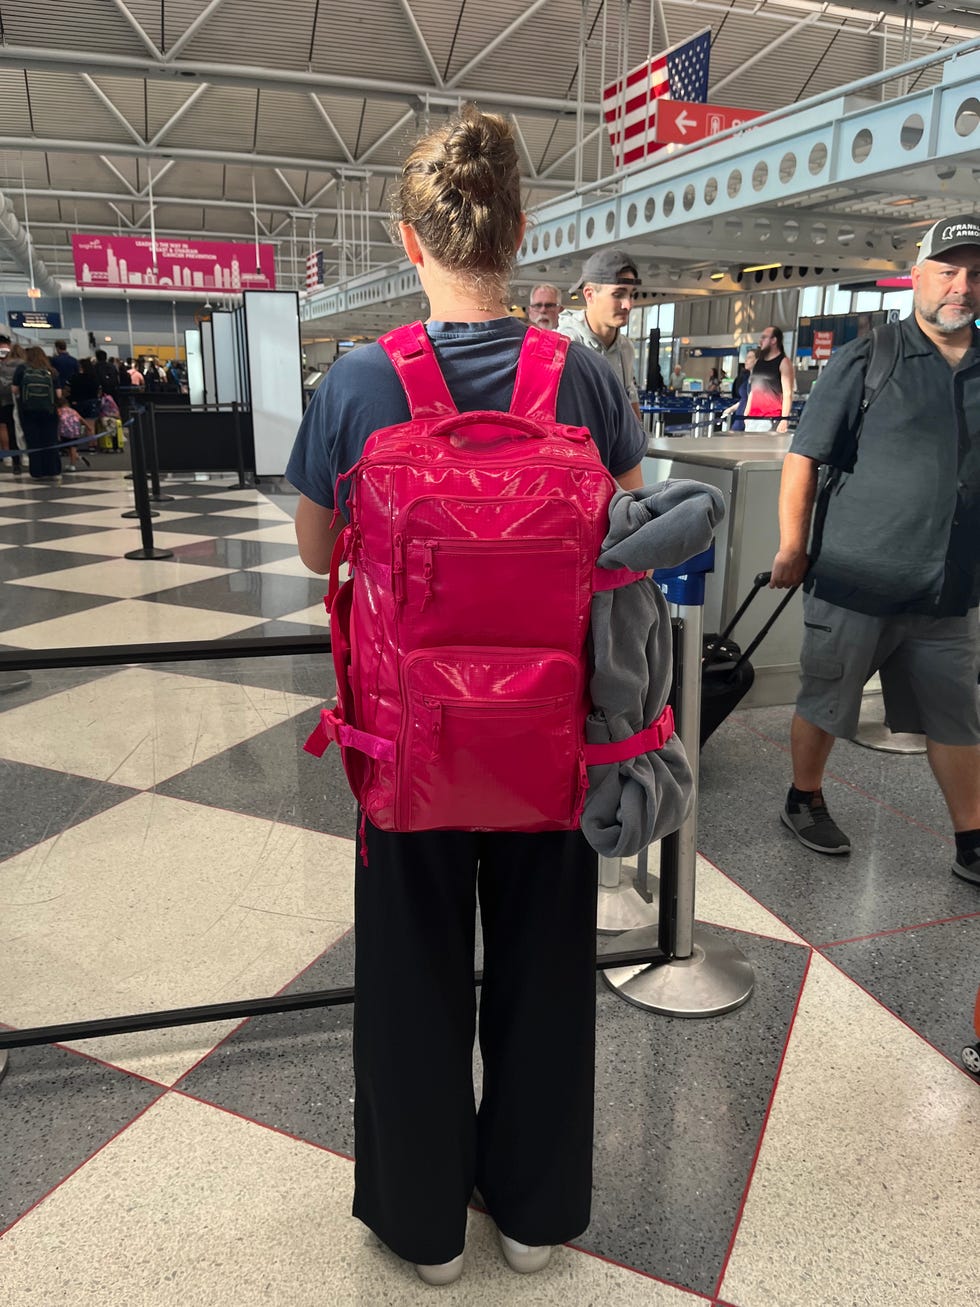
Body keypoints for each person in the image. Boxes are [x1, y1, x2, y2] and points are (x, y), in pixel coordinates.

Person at [287, 106, 646, 1288]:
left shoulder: (355, 381)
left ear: (410, 240)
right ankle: (536, 1214)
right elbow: (628, 527)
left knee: (409, 980)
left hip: (405, 744)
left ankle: (424, 1225)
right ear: (521, 231)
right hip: (553, 743)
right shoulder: (584, 377)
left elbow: (310, 549)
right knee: (545, 976)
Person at [770, 213, 980, 887]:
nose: (963, 286)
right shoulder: (871, 356)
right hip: (856, 574)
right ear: (917, 276)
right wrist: (791, 544)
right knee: (827, 696)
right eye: (948, 270)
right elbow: (804, 456)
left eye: (975, 274)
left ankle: (972, 838)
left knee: (955, 715)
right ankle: (803, 796)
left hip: (948, 587)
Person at [557, 249, 643, 420]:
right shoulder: (564, 346)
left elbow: (630, 398)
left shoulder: (625, 348)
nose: (628, 305)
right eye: (618, 295)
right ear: (590, 295)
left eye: (631, 294)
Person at [12, 345, 62, 482]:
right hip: (49, 411)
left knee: (33, 440)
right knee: (50, 440)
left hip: (28, 411)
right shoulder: (51, 371)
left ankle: (37, 472)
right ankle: (52, 470)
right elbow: (59, 394)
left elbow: (14, 390)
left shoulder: (22, 369)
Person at [744, 325, 794, 432]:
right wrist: (746, 413)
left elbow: (787, 393)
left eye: (764, 337)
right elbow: (753, 390)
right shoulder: (758, 363)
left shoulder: (783, 362)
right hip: (752, 418)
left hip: (771, 418)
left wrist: (784, 419)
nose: (760, 340)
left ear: (774, 340)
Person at [0, 335, 23, 475]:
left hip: (5, 401)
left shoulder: (6, 365)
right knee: (15, 430)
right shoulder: (21, 364)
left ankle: (10, 457)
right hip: (17, 401)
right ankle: (18, 459)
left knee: (6, 428)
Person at [722, 347, 758, 431]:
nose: (745, 360)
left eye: (749, 357)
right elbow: (744, 399)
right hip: (741, 414)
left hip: (748, 416)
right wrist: (731, 409)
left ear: (756, 360)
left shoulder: (758, 380)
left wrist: (746, 415)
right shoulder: (747, 378)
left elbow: (752, 400)